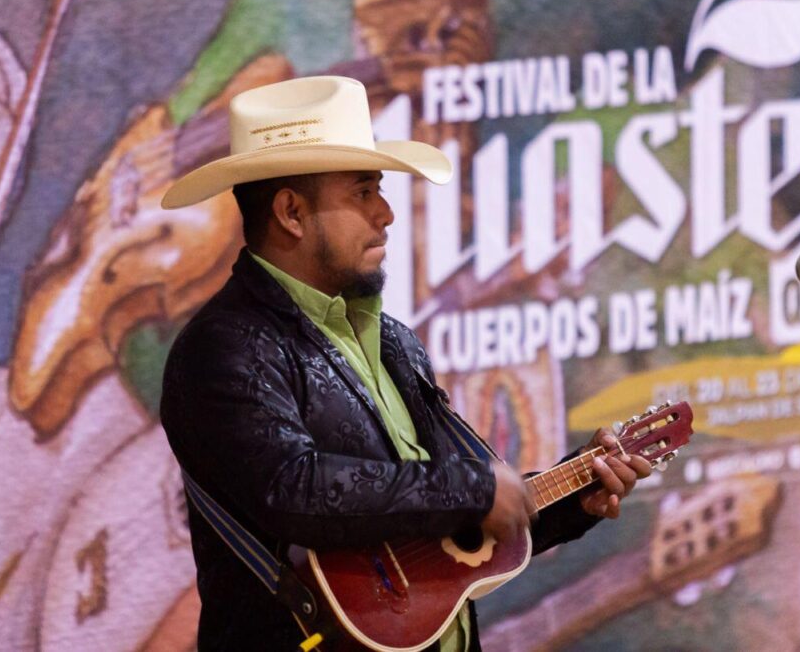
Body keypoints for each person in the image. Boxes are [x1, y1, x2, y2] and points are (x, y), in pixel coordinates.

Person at [159, 75, 651, 651]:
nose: (387, 213)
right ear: (291, 212)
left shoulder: (395, 342)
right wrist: (476, 489)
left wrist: (569, 500)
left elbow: (442, 540)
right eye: (364, 192)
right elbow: (293, 489)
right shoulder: (223, 347)